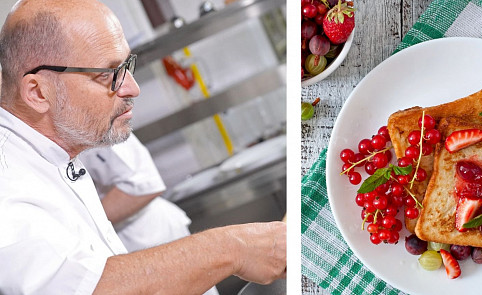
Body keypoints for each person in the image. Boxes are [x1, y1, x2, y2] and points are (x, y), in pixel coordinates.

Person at [0, 0, 286, 294]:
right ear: (37, 92)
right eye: (106, 74)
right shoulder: (8, 190)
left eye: (126, 66)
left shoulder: (57, 145)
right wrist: (233, 248)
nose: (133, 88)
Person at [80, 134, 219, 295]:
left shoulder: (88, 126)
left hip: (149, 238)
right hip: (121, 250)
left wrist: (82, 228)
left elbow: (141, 186)